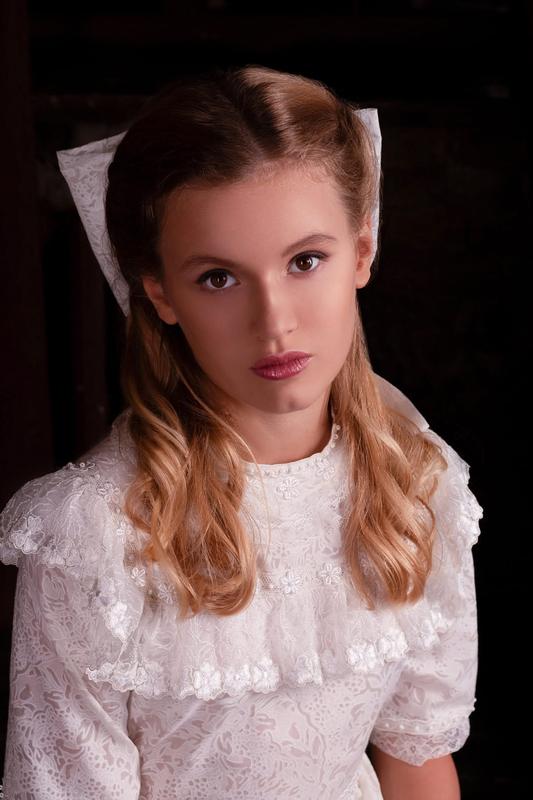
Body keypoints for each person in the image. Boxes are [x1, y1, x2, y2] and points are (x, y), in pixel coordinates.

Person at [0, 65, 483, 799]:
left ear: (361, 251)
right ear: (160, 292)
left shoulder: (416, 484)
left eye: (305, 261)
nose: (274, 321)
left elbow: (416, 757)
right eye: (218, 278)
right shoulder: (96, 535)